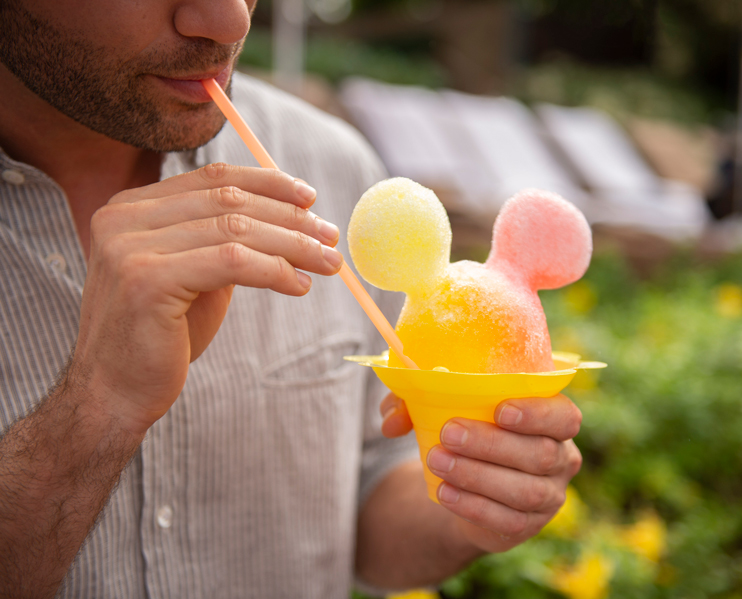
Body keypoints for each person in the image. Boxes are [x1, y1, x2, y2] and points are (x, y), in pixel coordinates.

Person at [0, 1, 584, 597]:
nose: (231, 21)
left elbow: (366, 514)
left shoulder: (328, 166)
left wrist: (473, 496)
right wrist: (96, 409)